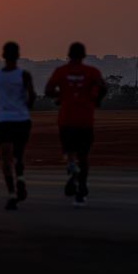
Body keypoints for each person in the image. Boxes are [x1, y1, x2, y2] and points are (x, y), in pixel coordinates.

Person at [45, 42, 108, 207]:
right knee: (84, 156)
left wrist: (61, 96)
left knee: (69, 153)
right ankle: (81, 189)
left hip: (66, 120)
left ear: (69, 55)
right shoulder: (92, 72)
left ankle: (72, 170)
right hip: (85, 120)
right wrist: (97, 100)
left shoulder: (61, 72)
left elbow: (48, 90)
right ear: (83, 56)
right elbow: (103, 87)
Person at [0, 42, 36, 210]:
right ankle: (20, 180)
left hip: (4, 120)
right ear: (17, 55)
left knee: (6, 157)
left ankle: (12, 193)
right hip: (21, 119)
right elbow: (32, 97)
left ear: (3, 56)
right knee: (18, 155)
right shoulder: (24, 75)